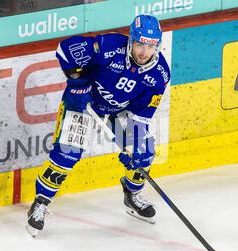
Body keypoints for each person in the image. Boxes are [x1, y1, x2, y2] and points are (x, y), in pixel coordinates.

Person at [26, 14, 171, 237]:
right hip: (81, 104)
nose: (144, 52)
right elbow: (65, 49)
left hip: (119, 111)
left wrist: (132, 150)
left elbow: (140, 117)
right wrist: (78, 82)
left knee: (144, 152)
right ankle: (40, 202)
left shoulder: (160, 74)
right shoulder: (109, 46)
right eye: (140, 44)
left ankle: (132, 195)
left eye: (150, 47)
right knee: (67, 153)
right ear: (131, 41)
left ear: (157, 47)